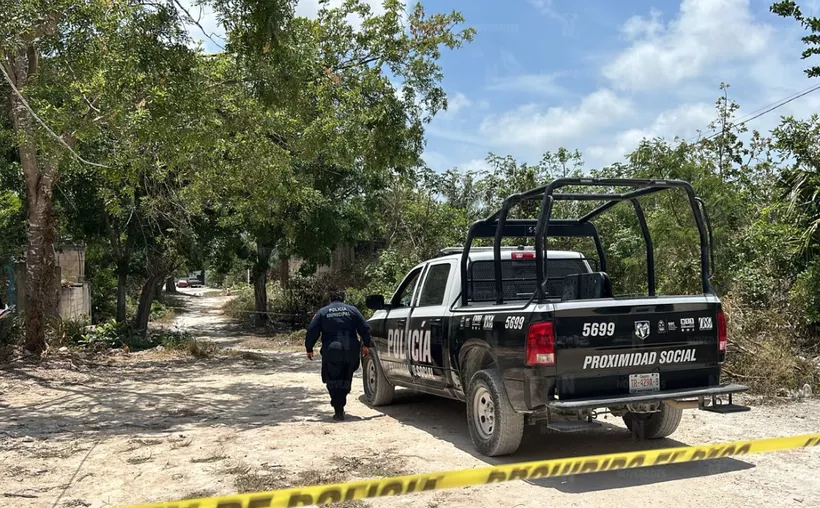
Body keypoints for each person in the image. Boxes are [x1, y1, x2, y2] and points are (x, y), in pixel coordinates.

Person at [305, 288, 372, 421]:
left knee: (332, 379)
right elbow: (365, 327)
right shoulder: (353, 310)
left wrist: (309, 347)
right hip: (350, 349)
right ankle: (341, 402)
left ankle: (338, 408)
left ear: (330, 298)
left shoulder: (323, 312)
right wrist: (366, 344)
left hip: (332, 350)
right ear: (343, 298)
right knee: (346, 376)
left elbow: (312, 330)